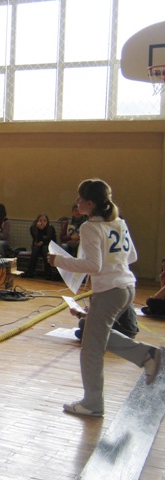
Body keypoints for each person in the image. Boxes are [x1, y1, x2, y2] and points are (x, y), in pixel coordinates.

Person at [48, 178, 162, 417]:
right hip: (126, 287)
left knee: (91, 349)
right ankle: (147, 355)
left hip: (110, 291)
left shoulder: (89, 227)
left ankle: (92, 403)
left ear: (90, 203)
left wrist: (59, 260)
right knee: (97, 336)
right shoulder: (118, 222)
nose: (77, 202)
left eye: (80, 198)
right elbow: (131, 256)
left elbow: (93, 265)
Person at [21, 213, 56, 279]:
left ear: (47, 221)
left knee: (45, 249)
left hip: (48, 245)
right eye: (40, 220)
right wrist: (40, 229)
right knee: (35, 248)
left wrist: (42, 242)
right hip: (38, 245)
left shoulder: (50, 228)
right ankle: (30, 272)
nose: (42, 222)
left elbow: (49, 239)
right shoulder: (33, 228)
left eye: (44, 220)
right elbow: (36, 239)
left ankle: (48, 273)